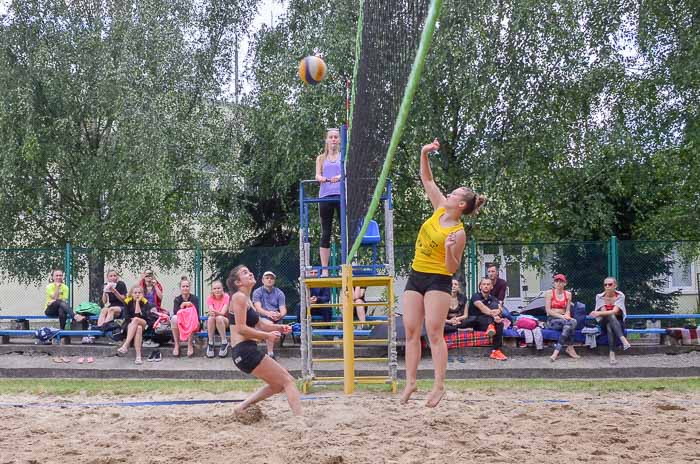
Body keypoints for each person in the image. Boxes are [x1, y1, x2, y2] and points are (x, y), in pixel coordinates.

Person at [401, 138, 487, 408]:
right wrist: (424, 152)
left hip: (439, 279)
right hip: (416, 274)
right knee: (411, 331)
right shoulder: (439, 207)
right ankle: (411, 382)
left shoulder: (458, 232)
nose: (449, 194)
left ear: (461, 205)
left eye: (455, 194)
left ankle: (438, 386)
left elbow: (452, 268)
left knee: (434, 332)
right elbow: (427, 180)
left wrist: (450, 250)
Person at [226, 265, 302, 416]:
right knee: (288, 380)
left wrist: (281, 328)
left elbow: (260, 324)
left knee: (277, 385)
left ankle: (241, 407)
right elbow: (241, 329)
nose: (250, 273)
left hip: (246, 350)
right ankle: (299, 419)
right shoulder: (238, 297)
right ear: (238, 282)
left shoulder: (247, 298)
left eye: (249, 271)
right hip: (244, 350)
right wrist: (267, 336)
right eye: (244, 273)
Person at [460, 278, 507, 360]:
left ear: (491, 287)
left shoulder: (493, 298)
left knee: (500, 324)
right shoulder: (476, 296)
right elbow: (483, 308)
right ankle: (491, 325)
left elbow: (500, 308)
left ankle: (495, 351)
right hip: (475, 322)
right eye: (484, 284)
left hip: (485, 323)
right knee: (488, 317)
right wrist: (495, 315)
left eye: (488, 284)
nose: (486, 286)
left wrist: (499, 311)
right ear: (480, 286)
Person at [315, 128, 342, 275]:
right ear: (327, 140)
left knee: (344, 230)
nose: (333, 139)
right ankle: (325, 269)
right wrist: (324, 179)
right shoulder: (321, 158)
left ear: (339, 140)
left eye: (335, 137)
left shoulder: (343, 156)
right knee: (326, 231)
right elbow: (317, 175)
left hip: (340, 195)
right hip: (325, 196)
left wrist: (339, 176)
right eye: (330, 137)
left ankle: (345, 264)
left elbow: (347, 171)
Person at [591, 277, 631, 364]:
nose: (607, 286)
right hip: (603, 322)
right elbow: (604, 312)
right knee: (610, 318)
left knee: (610, 324)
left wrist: (597, 313)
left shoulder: (620, 296)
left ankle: (612, 354)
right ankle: (623, 340)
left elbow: (615, 311)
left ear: (615, 285)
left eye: (610, 284)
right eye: (605, 285)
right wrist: (600, 313)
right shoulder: (599, 297)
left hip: (618, 322)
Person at [252, 271, 287, 360]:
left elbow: (283, 310)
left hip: (276, 319)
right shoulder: (257, 292)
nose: (269, 280)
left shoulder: (279, 293)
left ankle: (267, 353)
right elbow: (258, 308)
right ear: (263, 280)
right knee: (269, 326)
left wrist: (280, 315)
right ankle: (270, 354)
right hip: (262, 318)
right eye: (267, 278)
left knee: (276, 337)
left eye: (271, 278)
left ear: (274, 281)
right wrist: (269, 313)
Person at [117, 286, 156, 365]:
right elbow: (127, 318)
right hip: (130, 325)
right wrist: (134, 321)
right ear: (131, 294)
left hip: (144, 323)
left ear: (142, 294)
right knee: (138, 328)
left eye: (139, 293)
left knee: (136, 320)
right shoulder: (127, 302)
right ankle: (138, 357)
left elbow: (143, 317)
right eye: (135, 293)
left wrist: (138, 302)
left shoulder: (145, 302)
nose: (137, 294)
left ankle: (125, 345)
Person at [546, 274, 580, 362]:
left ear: (565, 283)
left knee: (569, 325)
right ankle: (570, 348)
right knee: (572, 323)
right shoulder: (549, 293)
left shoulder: (568, 294)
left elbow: (568, 310)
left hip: (564, 320)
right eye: (556, 281)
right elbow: (548, 311)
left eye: (561, 281)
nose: (558, 283)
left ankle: (556, 353)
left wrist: (567, 316)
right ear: (554, 283)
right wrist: (563, 317)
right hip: (552, 320)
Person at [171, 277, 200, 358]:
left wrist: (190, 305)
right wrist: (182, 306)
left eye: (187, 286)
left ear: (189, 287)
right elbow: (176, 313)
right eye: (183, 286)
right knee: (173, 318)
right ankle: (177, 345)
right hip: (181, 323)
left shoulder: (195, 298)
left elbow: (196, 314)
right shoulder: (177, 299)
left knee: (189, 319)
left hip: (193, 323)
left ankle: (190, 344)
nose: (185, 288)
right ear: (180, 288)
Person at [205, 280, 231, 358]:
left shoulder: (226, 297)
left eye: (219, 288)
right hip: (214, 322)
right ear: (212, 290)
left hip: (225, 321)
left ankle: (224, 342)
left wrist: (213, 312)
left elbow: (223, 312)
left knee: (219, 318)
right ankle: (210, 343)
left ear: (222, 288)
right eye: (215, 288)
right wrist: (212, 312)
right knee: (210, 318)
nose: (217, 290)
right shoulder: (209, 298)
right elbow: (211, 310)